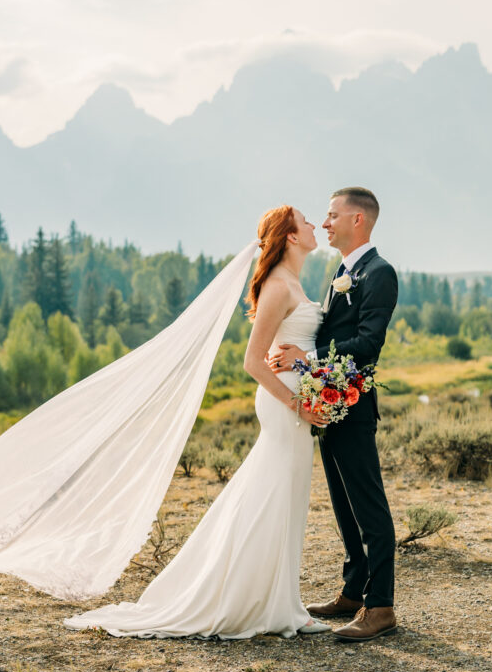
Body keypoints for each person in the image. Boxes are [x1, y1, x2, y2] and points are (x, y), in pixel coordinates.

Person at [63, 205, 330, 638]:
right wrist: (296, 404)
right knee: (275, 496)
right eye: (305, 220)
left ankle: (283, 602)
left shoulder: (293, 281)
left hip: (295, 401)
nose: (314, 224)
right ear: (291, 236)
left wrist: (311, 373)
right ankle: (264, 605)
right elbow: (252, 361)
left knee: (286, 498)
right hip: (284, 407)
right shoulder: (280, 287)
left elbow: (295, 347)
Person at [269, 187, 399, 642]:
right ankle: (352, 591)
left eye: (331, 215)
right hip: (330, 404)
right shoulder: (340, 273)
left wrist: (306, 357)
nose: (325, 223)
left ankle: (380, 605)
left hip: (355, 406)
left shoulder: (379, 273)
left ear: (357, 220)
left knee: (368, 505)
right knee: (344, 507)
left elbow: (367, 344)